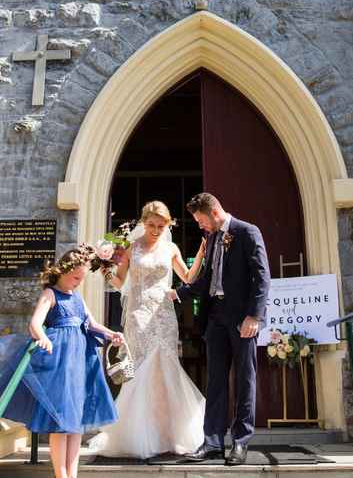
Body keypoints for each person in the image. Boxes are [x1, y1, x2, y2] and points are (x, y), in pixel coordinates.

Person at [88, 200, 206, 459]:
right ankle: (138, 433)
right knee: (142, 368)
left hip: (164, 314)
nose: (155, 230)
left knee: (166, 367)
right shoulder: (131, 247)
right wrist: (105, 266)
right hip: (138, 313)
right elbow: (120, 282)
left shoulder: (171, 247)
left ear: (168, 224)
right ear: (143, 223)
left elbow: (187, 278)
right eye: (151, 225)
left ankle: (167, 434)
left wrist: (200, 254)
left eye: (161, 225)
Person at [0, 247, 123, 478]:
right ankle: (61, 474)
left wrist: (111, 334)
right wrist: (43, 337)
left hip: (80, 362)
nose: (78, 283)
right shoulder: (51, 294)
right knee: (60, 421)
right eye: (76, 278)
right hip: (59, 361)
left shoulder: (77, 296)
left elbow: (92, 324)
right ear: (63, 271)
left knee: (75, 422)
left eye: (82, 279)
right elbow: (35, 324)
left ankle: (72, 475)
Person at [169, 193, 270, 465]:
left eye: (201, 220)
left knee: (244, 381)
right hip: (215, 320)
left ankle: (240, 442)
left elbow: (262, 277)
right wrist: (178, 294)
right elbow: (206, 281)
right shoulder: (212, 237)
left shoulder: (247, 232)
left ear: (214, 213)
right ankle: (213, 442)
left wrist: (254, 316)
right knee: (215, 383)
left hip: (242, 320)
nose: (200, 226)